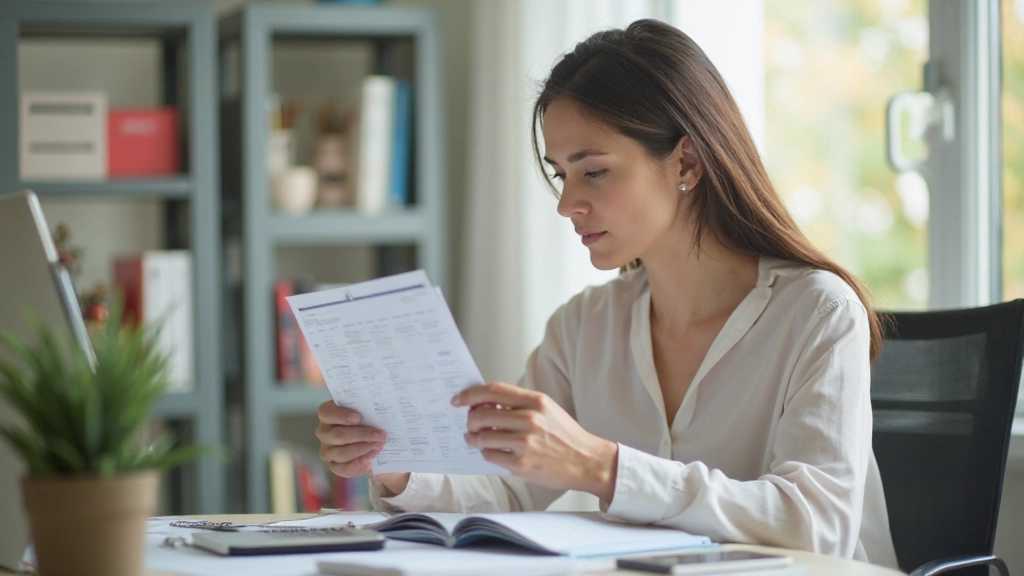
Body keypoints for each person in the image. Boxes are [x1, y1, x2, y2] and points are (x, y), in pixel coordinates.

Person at [316, 19, 899, 567]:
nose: (568, 204)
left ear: (686, 162)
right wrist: (395, 468)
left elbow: (818, 525)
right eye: (560, 173)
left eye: (592, 170)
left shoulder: (819, 313)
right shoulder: (583, 325)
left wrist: (602, 466)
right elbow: (511, 487)